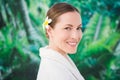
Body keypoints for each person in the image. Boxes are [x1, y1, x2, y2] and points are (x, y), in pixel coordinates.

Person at [36, 2, 84, 80]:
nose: (75, 36)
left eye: (78, 28)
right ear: (49, 31)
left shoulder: (61, 59)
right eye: (67, 28)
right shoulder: (54, 73)